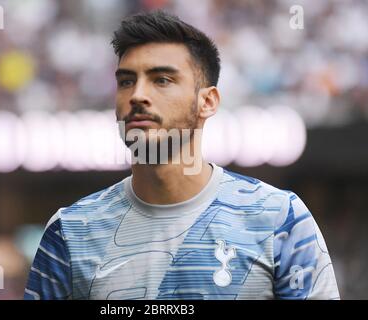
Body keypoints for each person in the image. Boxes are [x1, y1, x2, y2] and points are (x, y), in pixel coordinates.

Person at [24, 10, 340, 300]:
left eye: (162, 80)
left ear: (208, 101)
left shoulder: (279, 219)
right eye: (126, 81)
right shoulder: (70, 231)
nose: (137, 95)